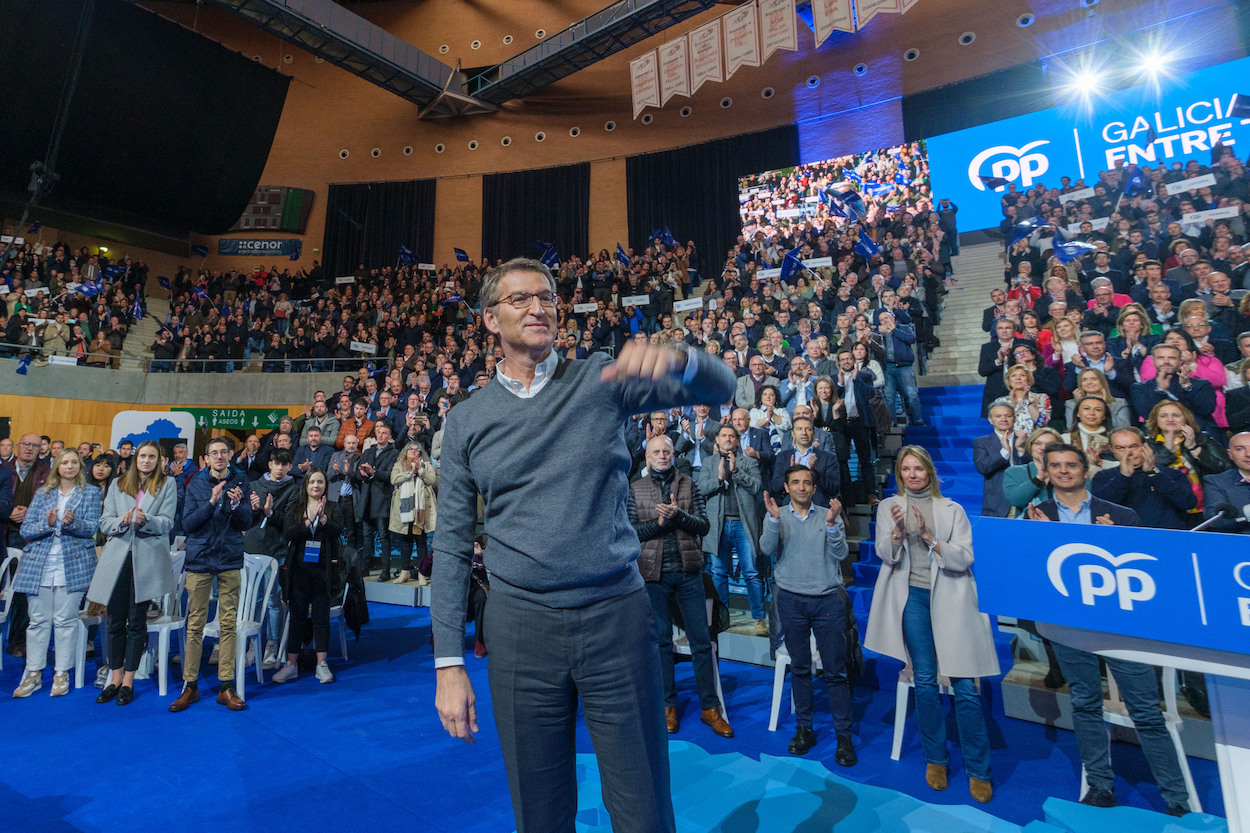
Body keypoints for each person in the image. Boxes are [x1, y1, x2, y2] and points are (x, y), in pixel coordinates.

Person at [431, 258, 734, 833]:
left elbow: (722, 385)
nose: (538, 307)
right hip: (519, 631)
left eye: (546, 297)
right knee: (540, 815)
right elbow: (450, 545)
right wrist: (449, 662)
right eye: (519, 299)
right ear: (490, 320)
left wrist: (682, 359)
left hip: (615, 619)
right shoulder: (466, 422)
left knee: (644, 809)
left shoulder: (601, 380)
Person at [1026, 444, 1193, 816]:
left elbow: (1145, 572)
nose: (1064, 471)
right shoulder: (1036, 516)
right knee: (1084, 705)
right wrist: (1040, 538)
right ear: (1047, 472)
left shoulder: (1120, 514)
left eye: (1071, 465)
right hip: (1069, 628)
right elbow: (1035, 576)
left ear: (1086, 471)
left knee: (1146, 713)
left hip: (1122, 629)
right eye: (1056, 466)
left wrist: (1116, 539)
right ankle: (1101, 787)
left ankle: (1176, 799)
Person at [865, 446, 998, 803]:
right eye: (906, 469)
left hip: (952, 600)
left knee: (966, 686)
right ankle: (935, 759)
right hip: (913, 600)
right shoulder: (887, 507)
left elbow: (964, 558)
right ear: (899, 473)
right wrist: (896, 533)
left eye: (918, 469)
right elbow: (886, 555)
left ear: (930, 472)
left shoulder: (951, 509)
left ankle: (978, 769)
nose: (912, 475)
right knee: (924, 680)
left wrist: (928, 537)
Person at [627, 435, 730, 738]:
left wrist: (678, 516)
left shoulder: (689, 483)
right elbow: (633, 533)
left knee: (701, 642)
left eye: (666, 451)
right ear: (647, 457)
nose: (662, 455)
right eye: (656, 451)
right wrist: (658, 525)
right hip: (652, 576)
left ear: (674, 454)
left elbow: (703, 525)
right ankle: (667, 704)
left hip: (689, 573)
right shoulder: (635, 489)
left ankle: (710, 708)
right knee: (661, 643)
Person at [760, 465, 853, 761]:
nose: (801, 487)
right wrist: (774, 520)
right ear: (786, 487)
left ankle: (843, 736)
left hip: (826, 601)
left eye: (807, 483)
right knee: (799, 668)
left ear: (814, 488)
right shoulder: (777, 514)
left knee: (835, 671)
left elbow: (840, 554)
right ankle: (804, 728)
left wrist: (831, 524)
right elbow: (766, 549)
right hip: (790, 600)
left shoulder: (828, 515)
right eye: (795, 483)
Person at [88, 440, 178, 705]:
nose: (147, 461)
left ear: (159, 460)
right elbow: (104, 522)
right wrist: (123, 521)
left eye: (152, 457)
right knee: (115, 621)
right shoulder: (117, 484)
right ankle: (114, 678)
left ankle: (128, 679)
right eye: (143, 456)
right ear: (135, 459)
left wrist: (146, 520)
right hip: (117, 559)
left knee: (136, 621)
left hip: (146, 559)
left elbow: (168, 522)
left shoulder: (167, 484)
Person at [171, 436, 253, 712]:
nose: (219, 456)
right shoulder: (194, 483)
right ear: (205, 459)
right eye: (214, 453)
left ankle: (226, 686)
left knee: (227, 624)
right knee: (195, 625)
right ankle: (190, 685)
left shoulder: (241, 481)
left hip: (229, 557)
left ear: (230, 456)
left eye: (223, 452)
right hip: (200, 558)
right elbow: (188, 523)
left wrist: (238, 505)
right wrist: (211, 502)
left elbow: (246, 523)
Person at [13, 449, 101, 698]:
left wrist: (73, 522)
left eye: (74, 462)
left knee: (65, 620)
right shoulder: (43, 493)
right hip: (40, 563)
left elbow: (92, 528)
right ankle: (33, 673)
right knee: (38, 620)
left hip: (72, 563)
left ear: (80, 466)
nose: (70, 466)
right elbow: (26, 529)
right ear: (57, 466)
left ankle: (62, 672)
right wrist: (48, 524)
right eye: (65, 462)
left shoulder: (90, 493)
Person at [272, 468, 344, 685]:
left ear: (325, 485)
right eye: (312, 481)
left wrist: (323, 520)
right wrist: (306, 522)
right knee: (297, 618)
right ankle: (291, 664)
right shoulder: (296, 508)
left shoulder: (333, 507)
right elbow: (287, 534)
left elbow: (338, 531)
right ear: (305, 484)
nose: (316, 485)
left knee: (321, 618)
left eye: (320, 482)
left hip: (324, 570)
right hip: (299, 569)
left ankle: (321, 664)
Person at [699, 424, 767, 636]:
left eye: (732, 436)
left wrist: (736, 472)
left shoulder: (749, 462)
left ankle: (759, 619)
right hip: (717, 526)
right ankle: (722, 619)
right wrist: (719, 479)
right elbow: (700, 489)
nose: (728, 439)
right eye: (723, 435)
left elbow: (756, 487)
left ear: (738, 441)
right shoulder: (709, 463)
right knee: (718, 573)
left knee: (752, 573)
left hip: (742, 523)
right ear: (716, 440)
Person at [243, 448, 298, 669]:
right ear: (270, 464)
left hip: (277, 549)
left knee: (275, 600)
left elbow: (289, 521)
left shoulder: (294, 489)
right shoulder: (254, 485)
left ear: (290, 466)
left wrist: (269, 513)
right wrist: (254, 509)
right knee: (253, 600)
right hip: (253, 546)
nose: (280, 468)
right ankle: (251, 646)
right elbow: (244, 518)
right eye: (277, 463)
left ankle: (272, 646)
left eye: (284, 464)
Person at [1144, 400, 1230, 525]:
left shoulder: (1203, 439)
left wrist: (1194, 447)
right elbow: (1149, 471)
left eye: (1176, 415)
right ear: (1155, 420)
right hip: (1165, 506)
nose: (1170, 419)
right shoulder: (1148, 445)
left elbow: (1224, 468)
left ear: (1185, 419)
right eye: (1163, 415)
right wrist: (1167, 446)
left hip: (1204, 504)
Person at [4, 432, 50, 658]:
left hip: (31, 538)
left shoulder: (47, 472)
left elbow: (52, 502)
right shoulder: (4, 469)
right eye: (26, 444)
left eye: (35, 445)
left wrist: (29, 512)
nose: (30, 448)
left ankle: (17, 640)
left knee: (22, 592)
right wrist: (7, 511)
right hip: (4, 533)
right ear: (18, 446)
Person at [354, 421, 399, 579]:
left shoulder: (394, 453)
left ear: (390, 437)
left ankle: (386, 570)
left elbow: (390, 475)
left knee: (383, 535)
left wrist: (374, 473)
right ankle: (365, 567)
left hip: (382, 498)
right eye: (378, 432)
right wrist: (362, 473)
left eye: (384, 433)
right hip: (367, 498)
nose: (381, 435)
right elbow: (358, 472)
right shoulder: (368, 451)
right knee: (367, 536)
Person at [388, 442, 436, 585]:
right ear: (406, 451)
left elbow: (431, 480)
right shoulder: (399, 464)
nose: (414, 452)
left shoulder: (426, 465)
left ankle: (422, 574)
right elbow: (393, 479)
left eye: (417, 450)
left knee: (421, 541)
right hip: (405, 509)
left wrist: (419, 471)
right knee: (406, 540)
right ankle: (404, 572)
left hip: (421, 509)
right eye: (411, 450)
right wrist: (410, 473)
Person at [972, 399, 1028, 518]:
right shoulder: (982, 442)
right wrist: (1004, 453)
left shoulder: (1026, 440)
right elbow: (982, 467)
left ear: (1014, 418)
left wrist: (1021, 449)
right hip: (997, 504)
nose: (1004, 419)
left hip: (1025, 499)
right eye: (998, 416)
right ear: (990, 420)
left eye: (1008, 415)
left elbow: (1033, 467)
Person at [1201, 431, 1250, 532]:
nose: (1248, 454)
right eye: (1240, 449)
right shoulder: (1216, 482)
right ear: (1230, 454)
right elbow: (1215, 522)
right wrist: (1245, 513)